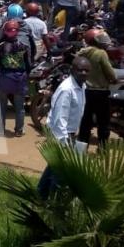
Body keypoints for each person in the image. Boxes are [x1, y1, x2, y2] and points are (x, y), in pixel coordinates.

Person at [37, 56, 91, 198]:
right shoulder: (67, 89)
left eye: (87, 70)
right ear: (73, 70)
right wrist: (64, 142)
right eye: (81, 70)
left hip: (70, 133)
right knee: (60, 172)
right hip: (60, 135)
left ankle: (41, 194)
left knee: (53, 167)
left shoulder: (82, 85)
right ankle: (52, 200)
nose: (84, 73)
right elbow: (60, 117)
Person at [77, 29, 117, 147]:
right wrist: (114, 80)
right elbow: (110, 73)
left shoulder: (81, 53)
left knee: (85, 122)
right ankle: (103, 149)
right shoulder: (101, 53)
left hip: (85, 92)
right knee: (103, 122)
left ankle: (81, 150)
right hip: (100, 92)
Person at [0, 20, 32, 137]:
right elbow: (28, 64)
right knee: (19, 107)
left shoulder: (0, 47)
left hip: (4, 78)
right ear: (18, 32)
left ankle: (0, 129)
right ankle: (19, 130)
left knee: (2, 106)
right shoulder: (24, 46)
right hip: (19, 78)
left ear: (5, 32)